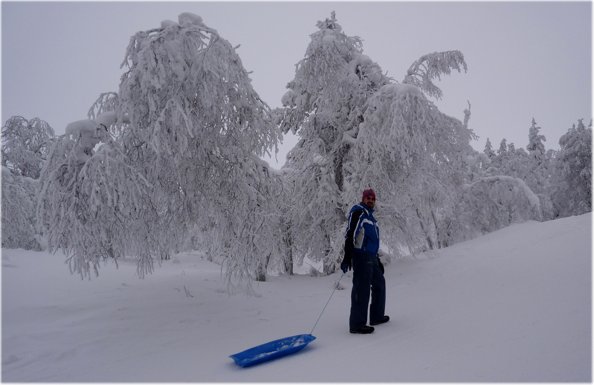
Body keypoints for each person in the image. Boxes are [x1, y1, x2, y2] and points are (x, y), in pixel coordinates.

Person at [341, 188, 389, 334]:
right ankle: (356, 324)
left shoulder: (372, 218)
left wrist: (377, 259)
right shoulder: (359, 212)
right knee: (362, 288)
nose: (371, 200)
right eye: (368, 198)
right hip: (361, 256)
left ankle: (376, 316)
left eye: (373, 198)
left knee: (379, 284)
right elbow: (350, 233)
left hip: (371, 257)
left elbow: (372, 241)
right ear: (363, 199)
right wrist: (347, 256)